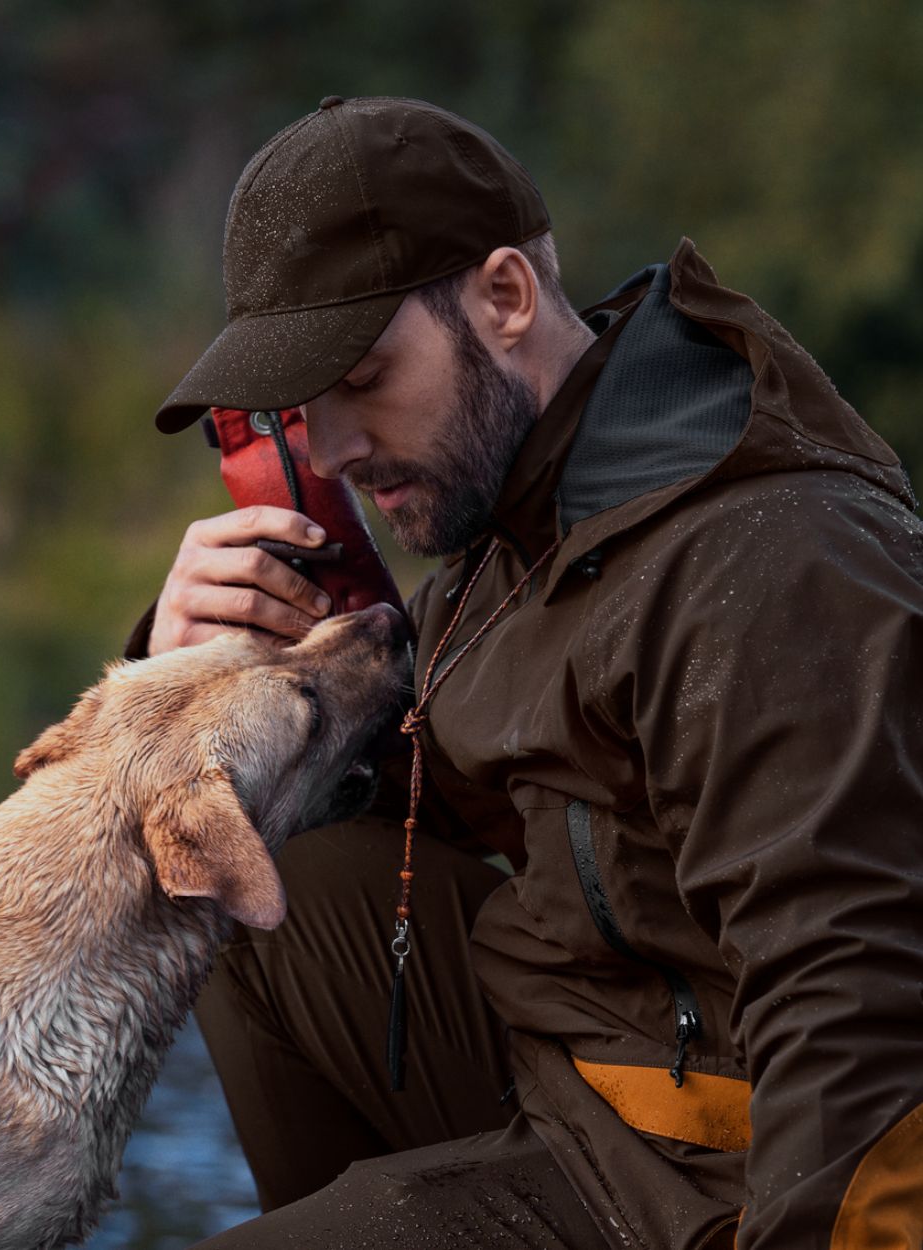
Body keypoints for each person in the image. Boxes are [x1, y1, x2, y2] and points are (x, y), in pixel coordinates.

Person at [136, 96, 923, 1249]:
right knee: (247, 866)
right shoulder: (512, 524)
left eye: (363, 374)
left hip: (720, 1181)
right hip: (577, 1090)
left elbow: (864, 1012)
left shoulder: (770, 561)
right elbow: (413, 798)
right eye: (300, 408)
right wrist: (198, 670)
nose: (334, 448)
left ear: (503, 298)